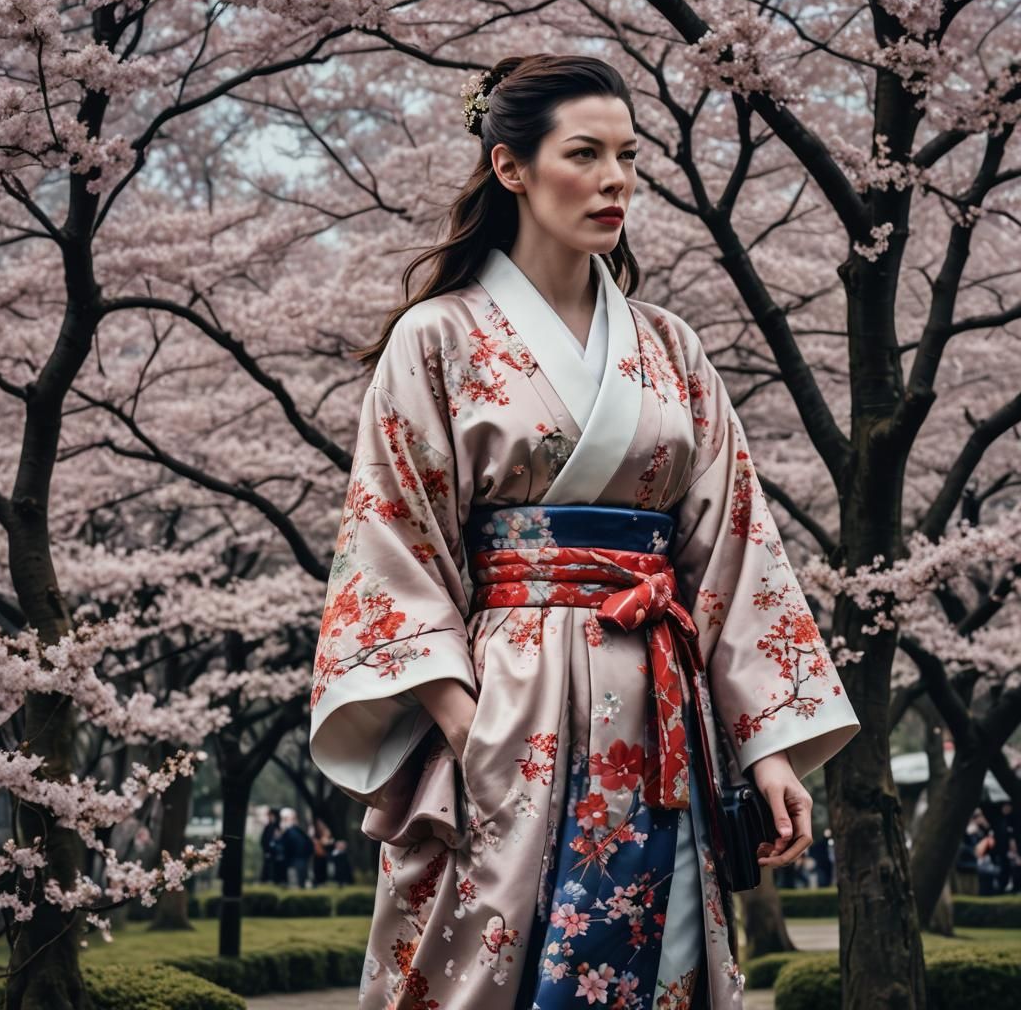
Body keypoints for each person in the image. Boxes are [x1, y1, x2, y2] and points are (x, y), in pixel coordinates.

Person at [308, 53, 861, 1009]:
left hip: (659, 708)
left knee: (663, 948)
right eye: (586, 153)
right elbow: (390, 538)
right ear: (511, 166)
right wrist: (465, 723)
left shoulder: (672, 348)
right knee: (480, 957)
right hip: (508, 705)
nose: (616, 180)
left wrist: (767, 748)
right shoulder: (436, 339)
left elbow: (733, 548)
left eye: (630, 157)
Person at [278, 807, 313, 889]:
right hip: (301, 860)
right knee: (300, 884)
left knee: (295, 885)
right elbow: (309, 845)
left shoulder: (290, 832)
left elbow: (285, 848)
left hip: (294, 862)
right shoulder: (298, 831)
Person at [311, 817, 335, 886]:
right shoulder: (314, 831)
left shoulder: (326, 830)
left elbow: (328, 841)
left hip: (324, 854)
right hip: (317, 854)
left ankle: (323, 882)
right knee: (318, 870)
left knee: (323, 871)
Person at [259, 808, 281, 884]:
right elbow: (263, 840)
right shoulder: (268, 827)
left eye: (270, 815)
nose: (269, 817)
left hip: (275, 855)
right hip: (268, 853)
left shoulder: (277, 827)